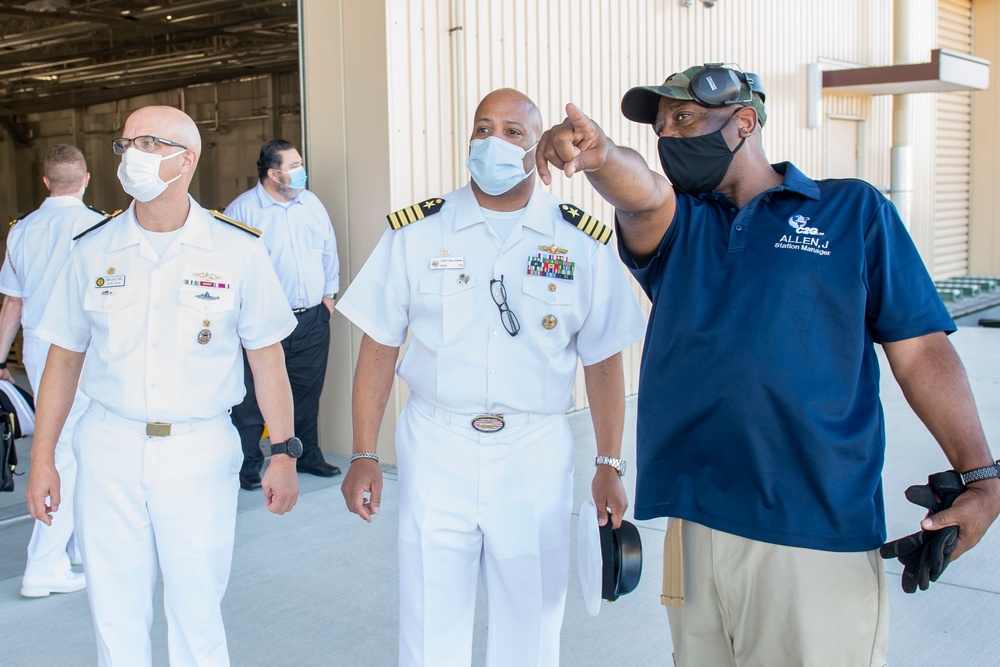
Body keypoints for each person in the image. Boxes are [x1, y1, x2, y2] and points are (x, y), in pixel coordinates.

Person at [535, 64, 1000, 666]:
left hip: (814, 528)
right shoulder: (684, 223)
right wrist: (600, 158)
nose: (670, 137)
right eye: (660, 129)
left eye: (684, 119)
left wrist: (980, 477)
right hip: (697, 523)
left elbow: (921, 351)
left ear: (744, 122)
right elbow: (642, 190)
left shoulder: (851, 210)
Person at [337, 88, 646, 667]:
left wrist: (609, 463)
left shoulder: (580, 241)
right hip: (436, 443)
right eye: (483, 128)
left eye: (513, 131)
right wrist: (363, 451)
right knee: (431, 624)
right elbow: (378, 344)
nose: (493, 141)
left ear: (539, 150)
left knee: (530, 628)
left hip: (533, 450)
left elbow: (603, 360)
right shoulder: (417, 233)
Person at [25, 106, 301, 667]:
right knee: (115, 615)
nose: (133, 156)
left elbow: (266, 359)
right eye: (125, 144)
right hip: (108, 448)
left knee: (196, 613)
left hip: (197, 451)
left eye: (149, 143)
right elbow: (63, 359)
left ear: (187, 159)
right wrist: (42, 456)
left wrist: (283, 453)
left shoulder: (237, 248)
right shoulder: (91, 247)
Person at [0, 144, 103, 598]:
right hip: (85, 350)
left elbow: (11, 303)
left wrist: (1, 361)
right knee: (69, 452)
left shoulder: (21, 230)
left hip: (40, 349)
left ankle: (78, 543)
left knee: (71, 446)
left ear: (46, 182)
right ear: (86, 179)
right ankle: (44, 564)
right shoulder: (99, 226)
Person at [224, 140, 341, 489]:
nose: (302, 170)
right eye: (295, 165)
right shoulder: (243, 211)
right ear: (274, 173)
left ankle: (307, 455)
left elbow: (327, 251)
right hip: (263, 323)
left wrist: (328, 297)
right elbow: (230, 268)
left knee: (307, 390)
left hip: (311, 318)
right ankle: (248, 465)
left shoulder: (311, 204)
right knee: (251, 397)